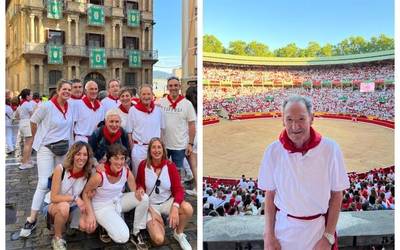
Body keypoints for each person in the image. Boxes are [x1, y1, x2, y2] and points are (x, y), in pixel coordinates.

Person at [258, 95, 349, 250]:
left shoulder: (330, 149)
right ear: (283, 120)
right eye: (289, 120)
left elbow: (337, 194)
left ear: (311, 118)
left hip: (318, 231)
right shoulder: (273, 151)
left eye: (301, 119)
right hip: (283, 232)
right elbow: (270, 194)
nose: (295, 126)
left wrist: (327, 237)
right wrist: (269, 236)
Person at [20, 80, 74, 237]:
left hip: (63, 149)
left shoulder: (70, 106)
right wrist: (37, 138)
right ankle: (32, 218)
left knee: (60, 184)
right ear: (58, 90)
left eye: (69, 90)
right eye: (64, 89)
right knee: (44, 183)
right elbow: (33, 121)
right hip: (46, 148)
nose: (67, 92)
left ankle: (55, 214)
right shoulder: (47, 106)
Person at [81, 144, 149, 247]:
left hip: (118, 200)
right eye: (116, 158)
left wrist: (139, 190)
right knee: (122, 237)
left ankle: (137, 232)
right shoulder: (99, 176)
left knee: (144, 198)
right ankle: (104, 225)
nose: (119, 162)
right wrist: (90, 214)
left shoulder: (126, 171)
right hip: (102, 207)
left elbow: (134, 189)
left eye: (122, 159)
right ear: (109, 159)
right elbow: (85, 194)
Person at [136, 138, 193, 250]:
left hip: (167, 202)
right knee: (158, 240)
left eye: (159, 147)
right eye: (153, 147)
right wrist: (140, 189)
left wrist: (175, 207)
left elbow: (178, 189)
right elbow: (139, 184)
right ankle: (157, 224)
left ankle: (179, 233)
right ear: (149, 150)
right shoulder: (143, 165)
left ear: (163, 150)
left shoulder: (170, 166)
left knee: (188, 208)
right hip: (151, 205)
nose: (156, 150)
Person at [43, 141, 93, 250]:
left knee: (86, 226)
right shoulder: (61, 169)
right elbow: (54, 197)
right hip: (53, 205)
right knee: (64, 207)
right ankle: (57, 238)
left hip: (73, 206)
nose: (82, 158)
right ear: (72, 155)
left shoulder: (87, 173)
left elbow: (85, 194)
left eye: (85, 155)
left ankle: (68, 225)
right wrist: (75, 198)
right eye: (78, 154)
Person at [157, 77, 196, 178]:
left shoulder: (187, 104)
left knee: (177, 174)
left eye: (175, 85)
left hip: (179, 145)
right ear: (167, 87)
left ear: (179, 86)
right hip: (163, 145)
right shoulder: (160, 103)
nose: (173, 88)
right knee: (161, 172)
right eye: (170, 86)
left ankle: (176, 192)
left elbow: (192, 124)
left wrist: (190, 144)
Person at [127, 84, 165, 176]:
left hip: (155, 149)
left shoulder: (159, 110)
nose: (146, 97)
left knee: (154, 174)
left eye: (148, 94)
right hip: (139, 148)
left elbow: (162, 130)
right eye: (143, 94)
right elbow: (129, 132)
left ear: (152, 95)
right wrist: (133, 148)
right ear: (140, 95)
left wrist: (161, 147)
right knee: (138, 175)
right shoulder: (133, 110)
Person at [15, 88, 36, 169]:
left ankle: (28, 160)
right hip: (27, 123)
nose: (32, 95)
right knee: (28, 143)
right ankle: (24, 162)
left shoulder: (22, 104)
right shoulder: (28, 104)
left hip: (23, 123)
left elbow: (16, 115)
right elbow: (33, 115)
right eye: (31, 94)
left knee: (28, 143)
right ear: (27, 96)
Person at [184, 86, 198, 196]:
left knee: (194, 165)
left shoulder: (187, 106)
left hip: (191, 137)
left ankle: (197, 187)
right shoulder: (196, 106)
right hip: (196, 136)